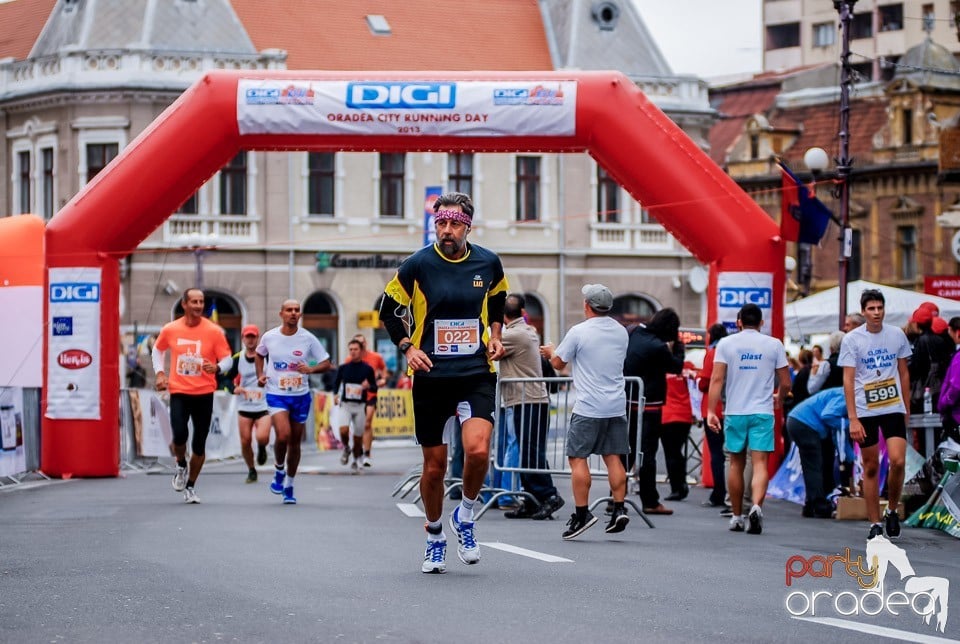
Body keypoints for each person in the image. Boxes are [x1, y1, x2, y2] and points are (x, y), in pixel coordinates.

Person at [378, 191, 507, 574]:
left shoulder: (488, 261)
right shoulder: (417, 264)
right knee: (434, 468)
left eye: (453, 224)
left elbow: (498, 298)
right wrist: (407, 347)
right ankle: (435, 535)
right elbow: (388, 310)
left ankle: (464, 517)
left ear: (468, 226)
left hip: (475, 371)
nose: (446, 231)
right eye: (441, 224)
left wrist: (496, 334)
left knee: (479, 451)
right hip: (432, 375)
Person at [540, 284, 630, 540]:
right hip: (616, 404)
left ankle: (582, 514)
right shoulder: (621, 331)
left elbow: (558, 363)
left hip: (589, 406)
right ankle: (619, 508)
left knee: (577, 458)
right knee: (613, 457)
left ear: (587, 305)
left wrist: (550, 352)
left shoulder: (579, 331)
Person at [707, 303, 790, 535]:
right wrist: (779, 398)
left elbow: (716, 380)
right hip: (762, 411)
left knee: (735, 463)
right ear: (762, 323)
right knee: (760, 463)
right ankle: (756, 506)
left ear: (739, 321)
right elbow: (786, 382)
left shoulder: (726, 343)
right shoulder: (774, 345)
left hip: (735, 411)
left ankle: (736, 516)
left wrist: (711, 411)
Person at [838, 288, 912, 541]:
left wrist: (907, 406)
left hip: (892, 406)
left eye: (880, 308)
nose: (876, 313)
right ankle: (874, 523)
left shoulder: (896, 335)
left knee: (898, 461)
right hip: (865, 409)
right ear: (863, 311)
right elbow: (847, 380)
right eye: (871, 308)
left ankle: (891, 509)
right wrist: (853, 418)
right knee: (871, 466)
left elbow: (903, 373)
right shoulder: (852, 339)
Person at [152, 288, 233, 503]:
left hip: (204, 392)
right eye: (194, 302)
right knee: (179, 435)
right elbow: (157, 350)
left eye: (201, 302)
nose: (198, 306)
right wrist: (160, 373)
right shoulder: (171, 329)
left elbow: (228, 359)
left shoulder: (214, 331)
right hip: (179, 390)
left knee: (199, 444)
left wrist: (216, 367)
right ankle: (180, 464)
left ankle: (191, 486)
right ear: (185, 304)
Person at [256, 299, 333, 505]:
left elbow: (326, 362)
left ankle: (289, 484)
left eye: (296, 310)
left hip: (300, 395)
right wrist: (260, 375)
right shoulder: (270, 337)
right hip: (276, 393)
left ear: (300, 315)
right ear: (281, 313)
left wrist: (311, 369)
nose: (293, 313)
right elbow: (259, 354)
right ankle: (279, 469)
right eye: (289, 310)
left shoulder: (307, 338)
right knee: (283, 435)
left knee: (295, 442)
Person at [498, 293, 565, 521]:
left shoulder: (513, 335)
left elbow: (487, 349)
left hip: (528, 401)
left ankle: (549, 496)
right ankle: (532, 499)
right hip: (529, 400)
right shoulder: (526, 330)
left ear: (502, 314)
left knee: (530, 453)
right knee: (530, 452)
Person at [623, 308, 684, 515]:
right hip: (649, 404)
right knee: (647, 454)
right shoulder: (658, 347)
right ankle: (650, 501)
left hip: (628, 400)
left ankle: (616, 498)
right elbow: (676, 367)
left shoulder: (632, 331)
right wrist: (679, 347)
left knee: (626, 452)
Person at [786, 388, 848, 518]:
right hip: (805, 423)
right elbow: (828, 415)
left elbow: (837, 434)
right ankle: (819, 505)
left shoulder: (840, 393)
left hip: (797, 419)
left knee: (810, 465)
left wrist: (850, 455)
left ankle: (809, 505)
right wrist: (850, 423)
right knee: (814, 465)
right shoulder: (846, 396)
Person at [223, 324, 271, 483]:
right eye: (247, 337)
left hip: (263, 404)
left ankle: (262, 448)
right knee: (245, 442)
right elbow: (224, 378)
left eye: (253, 337)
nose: (250, 340)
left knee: (262, 436)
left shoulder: (267, 357)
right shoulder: (237, 358)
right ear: (243, 339)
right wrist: (233, 388)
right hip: (244, 405)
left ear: (258, 339)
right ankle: (251, 469)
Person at [334, 338, 378, 473]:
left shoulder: (368, 369)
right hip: (346, 404)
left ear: (361, 351)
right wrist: (335, 394)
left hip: (360, 406)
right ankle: (346, 448)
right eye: (351, 349)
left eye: (355, 349)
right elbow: (336, 383)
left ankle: (356, 458)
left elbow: (374, 387)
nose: (353, 352)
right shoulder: (343, 368)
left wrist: (368, 386)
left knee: (358, 436)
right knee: (343, 430)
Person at [698, 323, 729, 510]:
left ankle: (719, 493)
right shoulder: (733, 351)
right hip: (732, 408)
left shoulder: (713, 353)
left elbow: (706, 382)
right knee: (735, 454)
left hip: (714, 409)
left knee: (717, 454)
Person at [907, 305, 951, 415]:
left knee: (922, 426)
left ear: (916, 323)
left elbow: (916, 367)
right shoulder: (940, 340)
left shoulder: (920, 341)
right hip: (940, 389)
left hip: (923, 391)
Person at [352, 333, 387, 467]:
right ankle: (359, 451)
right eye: (357, 343)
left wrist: (382, 380)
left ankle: (367, 453)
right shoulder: (351, 358)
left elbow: (383, 370)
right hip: (356, 396)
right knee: (358, 425)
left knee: (367, 423)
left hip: (371, 394)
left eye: (362, 343)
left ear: (365, 344)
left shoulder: (376, 357)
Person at [806, 330, 846, 395]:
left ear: (831, 347)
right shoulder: (851, 361)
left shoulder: (826, 364)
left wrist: (812, 373)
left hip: (831, 399)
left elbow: (812, 389)